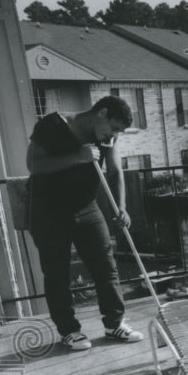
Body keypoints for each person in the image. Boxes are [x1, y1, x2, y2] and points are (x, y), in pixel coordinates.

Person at [26, 95, 145, 351]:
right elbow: (33, 164)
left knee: (106, 266)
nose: (113, 135)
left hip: (87, 209)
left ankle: (115, 324)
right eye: (113, 128)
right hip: (49, 212)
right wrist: (77, 157)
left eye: (118, 132)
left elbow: (114, 172)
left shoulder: (107, 137)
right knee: (56, 274)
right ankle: (69, 331)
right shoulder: (53, 125)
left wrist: (121, 207)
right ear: (101, 113)